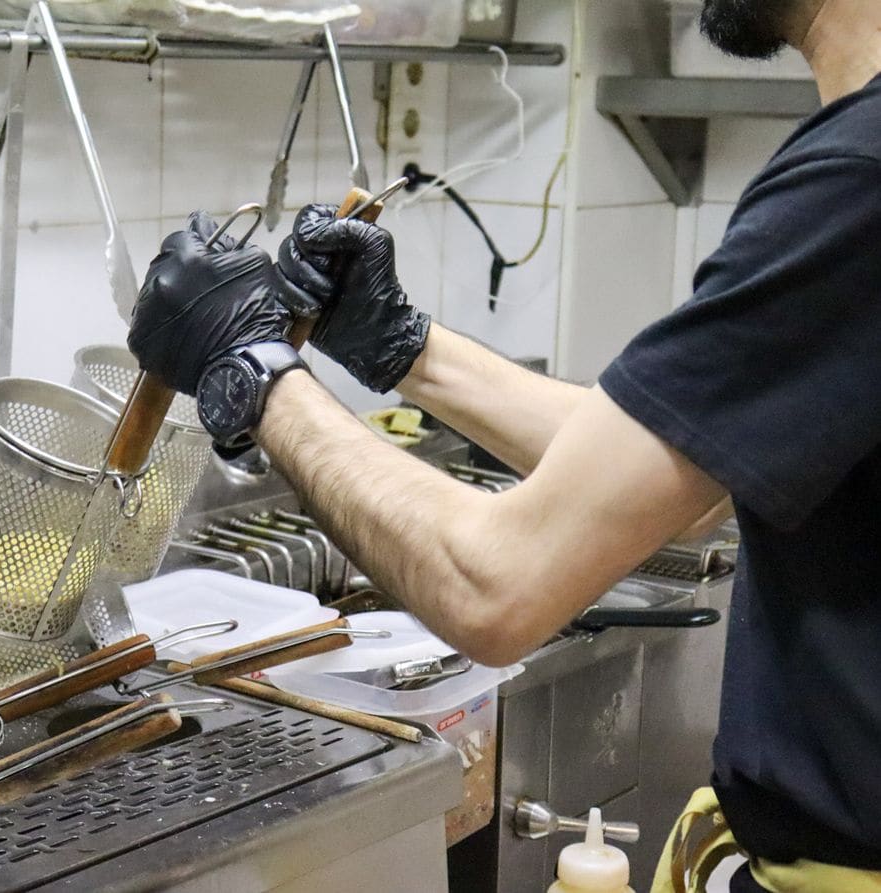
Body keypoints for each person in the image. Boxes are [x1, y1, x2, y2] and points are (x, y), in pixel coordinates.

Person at [125, 1, 881, 890]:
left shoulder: (855, 181)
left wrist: (253, 368)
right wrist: (402, 347)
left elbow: (497, 585)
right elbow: (699, 474)